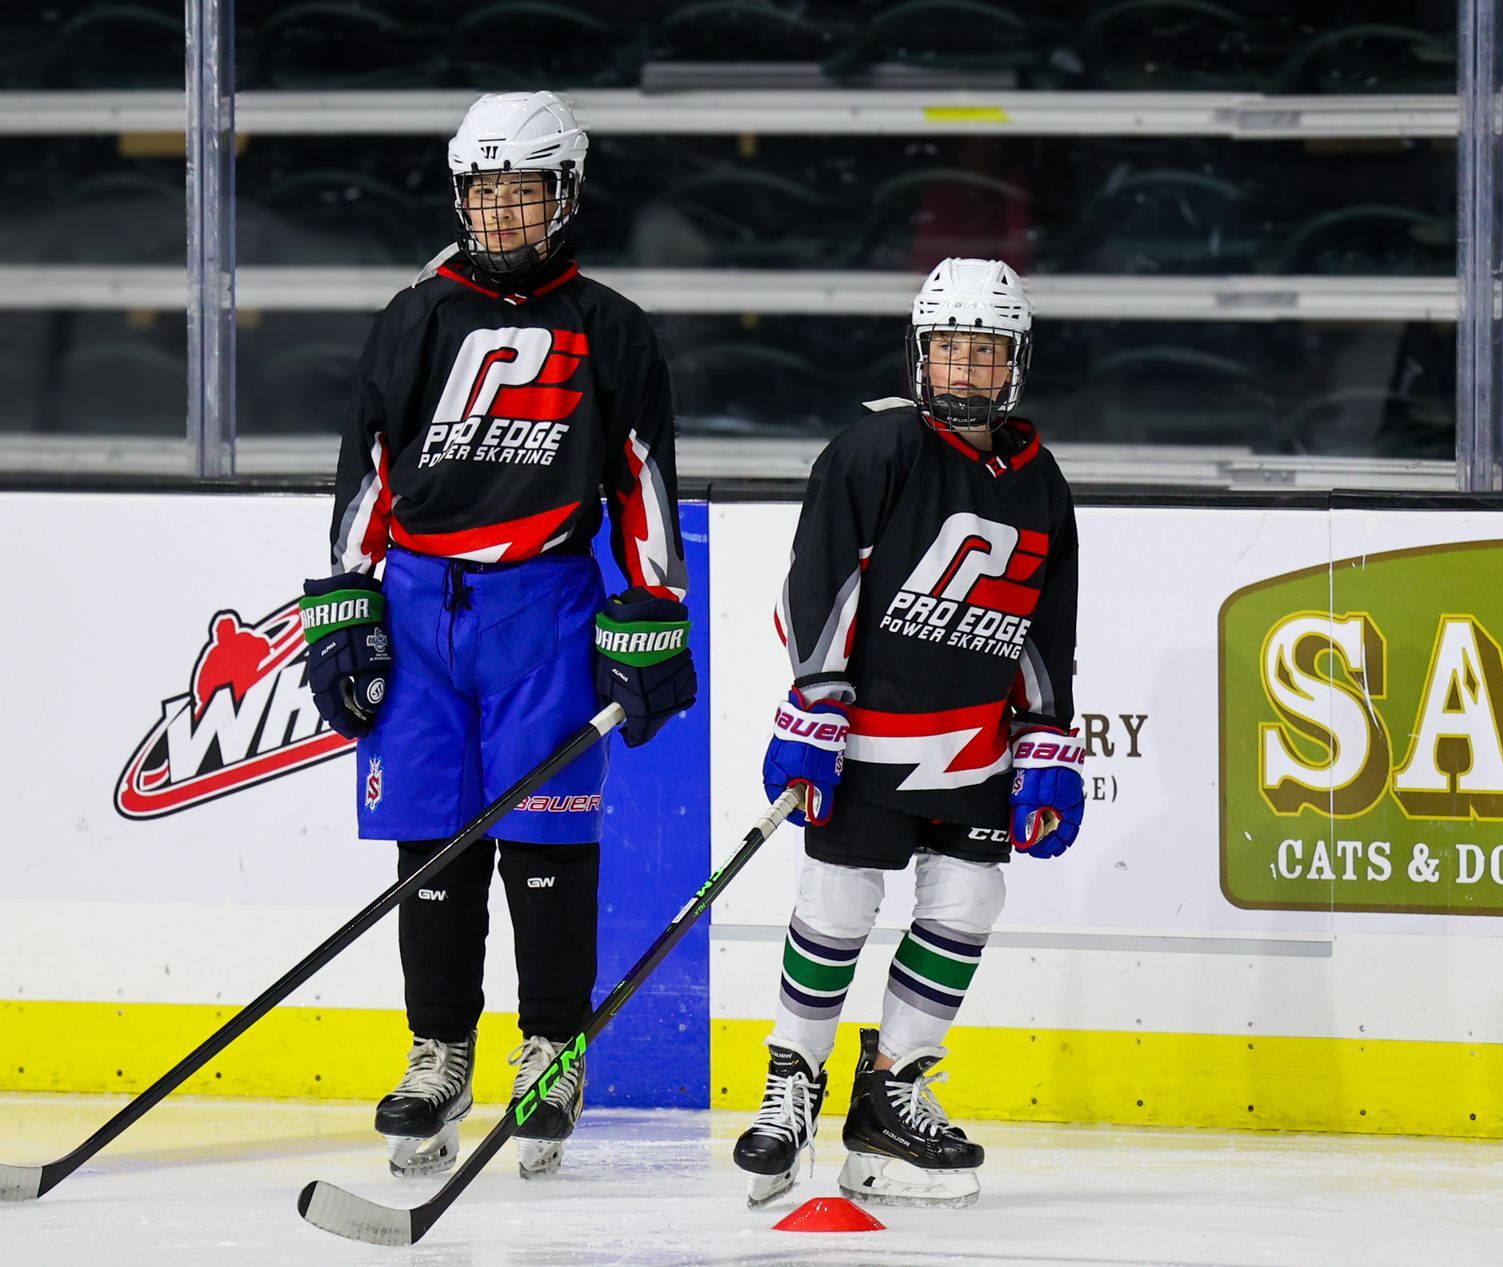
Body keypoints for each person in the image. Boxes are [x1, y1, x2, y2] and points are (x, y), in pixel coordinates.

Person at [300, 90, 696, 1180]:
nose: (501, 214)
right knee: (430, 838)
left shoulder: (609, 327)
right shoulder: (415, 314)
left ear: (565, 196)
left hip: (547, 608)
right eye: (483, 192)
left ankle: (551, 1050)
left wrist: (653, 605)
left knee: (548, 836)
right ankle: (440, 1052)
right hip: (424, 613)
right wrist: (344, 606)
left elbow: (643, 484)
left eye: (522, 193)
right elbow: (365, 473)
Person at [733, 257, 1085, 1209]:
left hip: (974, 746)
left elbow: (1045, 629)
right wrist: (814, 704)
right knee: (838, 902)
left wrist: (1047, 742)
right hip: (871, 739)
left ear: (1013, 361)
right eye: (947, 350)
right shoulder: (877, 446)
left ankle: (895, 1087)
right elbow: (817, 583)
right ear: (920, 354)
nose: (962, 370)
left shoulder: (1041, 479)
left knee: (968, 903)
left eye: (982, 352)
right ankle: (791, 1081)